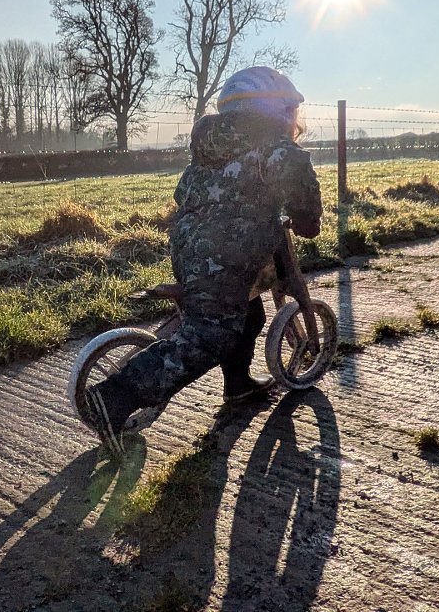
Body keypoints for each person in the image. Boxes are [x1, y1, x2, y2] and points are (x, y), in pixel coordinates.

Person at [83, 66, 323, 454]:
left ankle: (239, 384)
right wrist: (308, 222)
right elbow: (305, 202)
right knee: (211, 335)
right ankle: (114, 398)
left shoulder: (211, 144)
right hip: (228, 253)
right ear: (282, 111)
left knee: (249, 313)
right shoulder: (280, 151)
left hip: (190, 247)